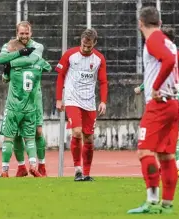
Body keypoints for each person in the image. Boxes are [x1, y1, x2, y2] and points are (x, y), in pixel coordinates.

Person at [127, 6, 179, 214]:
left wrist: (156, 87)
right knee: (166, 155)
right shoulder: (169, 43)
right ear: (160, 23)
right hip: (173, 104)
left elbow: (171, 62)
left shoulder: (154, 40)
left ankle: (152, 202)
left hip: (159, 104)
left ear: (140, 24)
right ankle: (167, 205)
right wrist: (173, 85)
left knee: (145, 151)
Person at [134, 27, 179, 179]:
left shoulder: (160, 53)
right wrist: (177, 86)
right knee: (172, 141)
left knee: (146, 148)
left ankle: (153, 196)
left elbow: (155, 76)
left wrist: (156, 87)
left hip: (161, 101)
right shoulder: (174, 51)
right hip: (175, 100)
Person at [55, 28, 108, 181]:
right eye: (84, 45)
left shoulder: (99, 59)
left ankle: (86, 173)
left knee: (89, 138)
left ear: (94, 43)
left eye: (89, 46)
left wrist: (103, 101)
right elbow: (60, 76)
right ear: (81, 41)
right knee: (77, 132)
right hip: (72, 99)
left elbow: (103, 81)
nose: (85, 48)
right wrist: (59, 99)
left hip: (89, 101)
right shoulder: (70, 55)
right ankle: (77, 169)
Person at [0, 21, 45, 177]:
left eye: (27, 33)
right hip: (19, 96)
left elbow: (30, 60)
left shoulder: (38, 46)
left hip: (34, 97)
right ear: (17, 33)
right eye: (21, 33)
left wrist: (9, 64)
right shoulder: (10, 44)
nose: (24, 36)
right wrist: (19, 54)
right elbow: (0, 58)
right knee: (17, 134)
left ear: (31, 33)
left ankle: (41, 165)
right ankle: (21, 167)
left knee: (38, 132)